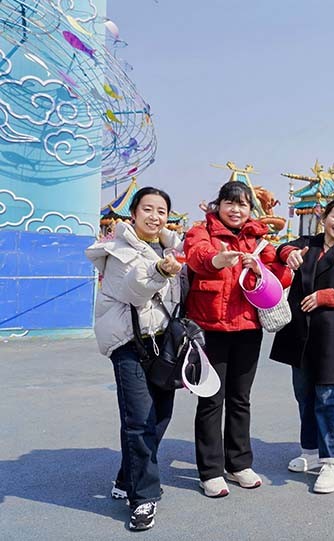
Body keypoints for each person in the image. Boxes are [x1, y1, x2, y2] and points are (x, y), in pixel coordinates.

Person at [184, 181, 292, 498]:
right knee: (211, 399)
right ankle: (210, 471)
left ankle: (239, 464)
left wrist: (268, 264)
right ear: (218, 205)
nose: (236, 210)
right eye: (230, 203)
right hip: (210, 329)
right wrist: (217, 260)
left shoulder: (257, 239)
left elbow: (281, 275)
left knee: (240, 398)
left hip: (247, 329)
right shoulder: (202, 231)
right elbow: (196, 256)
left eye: (243, 204)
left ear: (250, 209)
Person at [86, 187, 183, 531]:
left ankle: (127, 477)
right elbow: (133, 290)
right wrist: (159, 269)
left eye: (162, 211)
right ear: (134, 213)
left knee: (160, 416)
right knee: (139, 420)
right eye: (148, 209)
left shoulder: (172, 248)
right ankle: (143, 498)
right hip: (128, 343)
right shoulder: (117, 250)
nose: (155, 217)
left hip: (162, 344)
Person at [270, 199, 334, 494]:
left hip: (333, 335)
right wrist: (288, 254)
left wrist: (326, 296)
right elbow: (280, 249)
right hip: (299, 332)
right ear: (323, 217)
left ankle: (331, 461)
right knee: (304, 394)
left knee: (328, 397)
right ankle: (311, 451)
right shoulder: (306, 244)